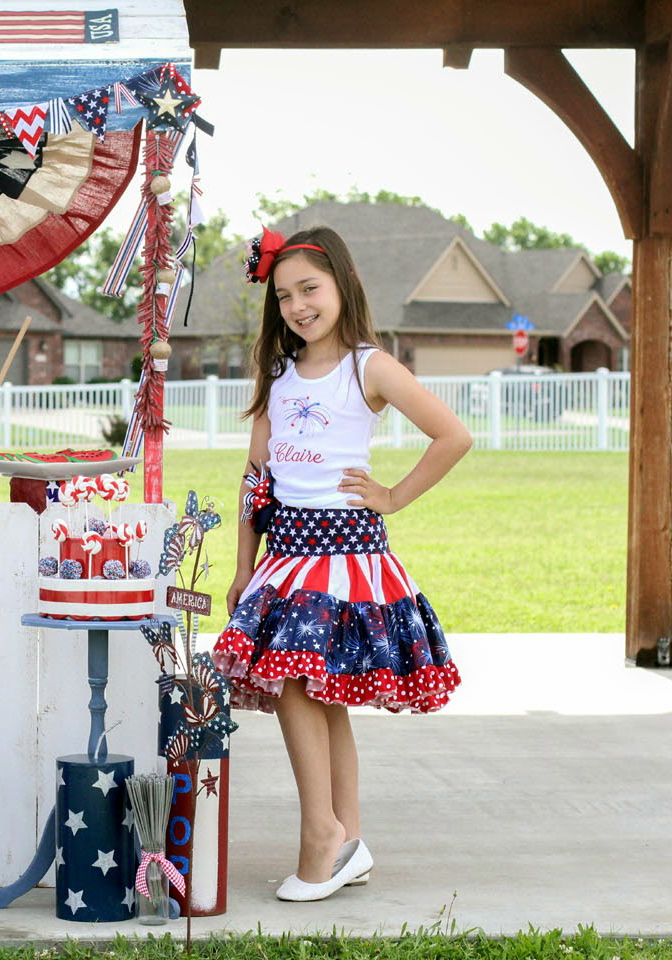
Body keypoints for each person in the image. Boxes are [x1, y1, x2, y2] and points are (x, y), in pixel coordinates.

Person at [212, 226, 469, 903]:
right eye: (286, 295)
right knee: (321, 699)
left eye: (310, 289)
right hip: (285, 559)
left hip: (347, 557)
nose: (299, 305)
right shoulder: (278, 377)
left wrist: (392, 497)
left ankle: (319, 837)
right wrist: (244, 565)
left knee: (301, 683)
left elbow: (453, 434)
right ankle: (345, 837)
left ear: (341, 286)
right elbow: (254, 477)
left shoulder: (368, 367)